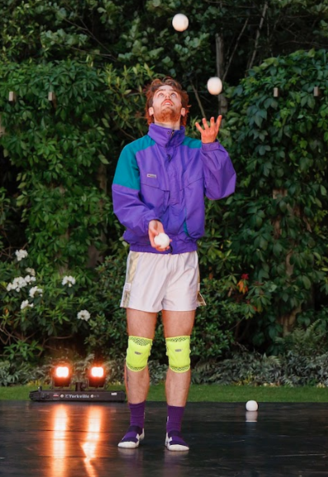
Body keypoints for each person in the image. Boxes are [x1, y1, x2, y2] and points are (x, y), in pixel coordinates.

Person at [111, 77, 236, 451]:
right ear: (150, 110)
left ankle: (174, 430)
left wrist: (212, 148)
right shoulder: (133, 152)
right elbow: (124, 200)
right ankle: (135, 426)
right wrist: (148, 223)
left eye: (174, 96)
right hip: (146, 258)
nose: (167, 99)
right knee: (138, 348)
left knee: (179, 350)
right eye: (159, 96)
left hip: (184, 259)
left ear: (184, 110)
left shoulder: (200, 150)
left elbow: (220, 190)